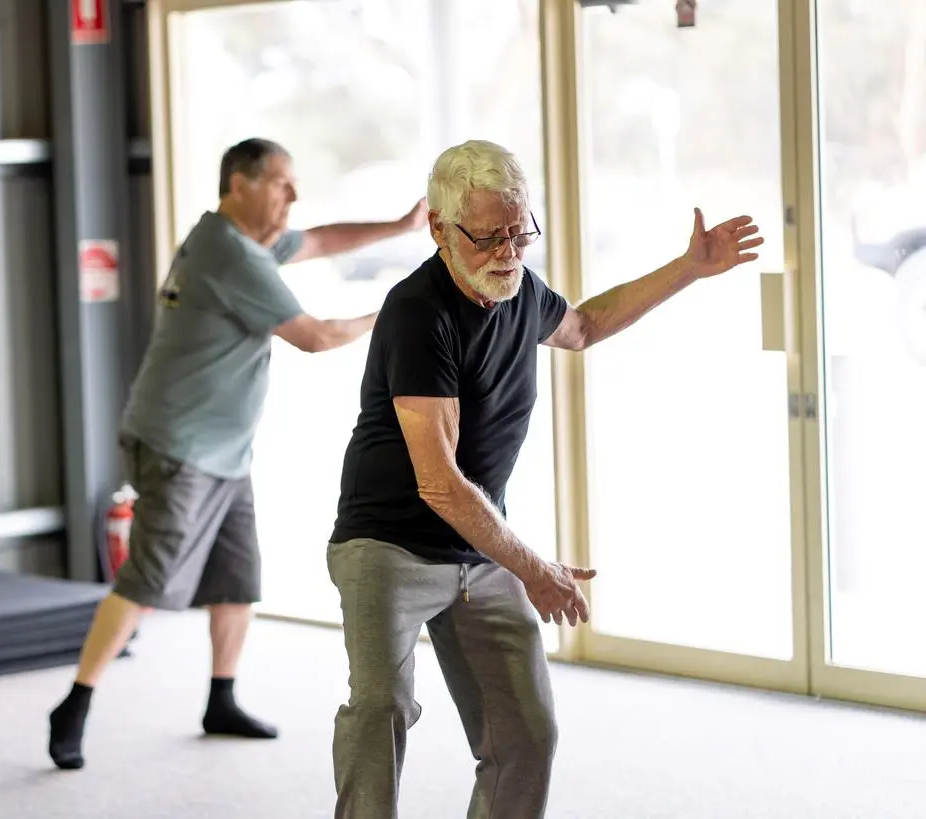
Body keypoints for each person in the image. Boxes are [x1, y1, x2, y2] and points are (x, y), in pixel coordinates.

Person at [326, 139, 763, 819]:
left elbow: (586, 325)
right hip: (388, 546)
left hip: (480, 545)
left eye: (519, 230)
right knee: (381, 707)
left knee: (526, 736)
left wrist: (690, 267)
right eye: (488, 236)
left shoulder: (522, 291)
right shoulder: (419, 312)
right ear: (440, 229)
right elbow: (438, 482)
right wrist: (534, 567)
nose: (508, 250)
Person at [47, 137, 430, 770]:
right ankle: (75, 704)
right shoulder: (229, 255)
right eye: (282, 182)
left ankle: (220, 700)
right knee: (146, 579)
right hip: (181, 446)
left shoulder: (242, 241)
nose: (294, 195)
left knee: (236, 578)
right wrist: (392, 311)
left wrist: (398, 226)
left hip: (224, 448)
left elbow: (321, 240)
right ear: (239, 185)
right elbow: (314, 337)